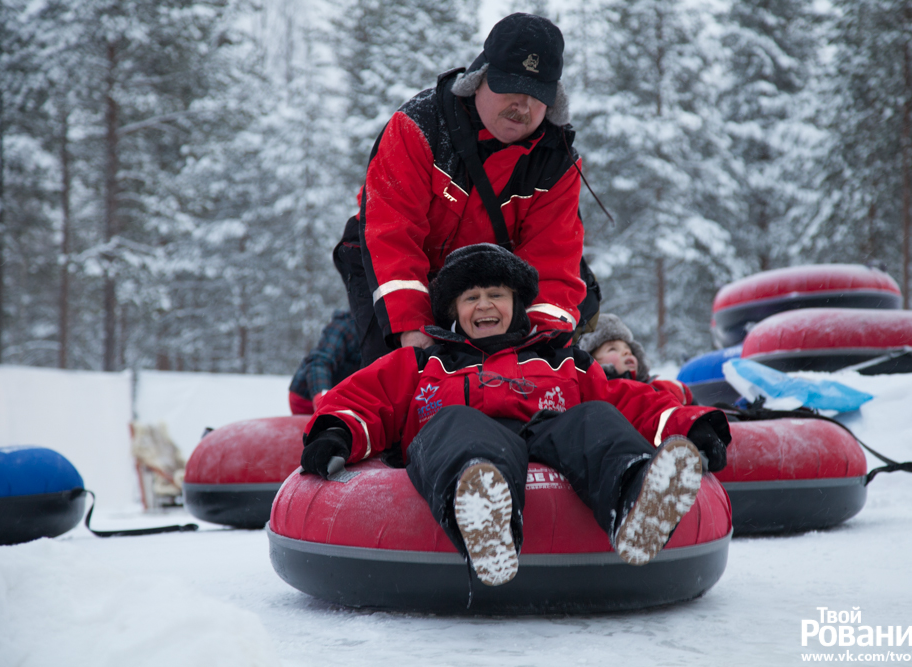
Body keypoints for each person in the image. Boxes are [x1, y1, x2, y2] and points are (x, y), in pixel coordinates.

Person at [300, 244, 731, 586]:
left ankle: (636, 499)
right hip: (468, 440)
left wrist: (691, 425)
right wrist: (335, 431)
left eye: (496, 295)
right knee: (456, 425)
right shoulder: (425, 364)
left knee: (593, 417)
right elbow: (365, 397)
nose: (484, 306)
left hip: (549, 433)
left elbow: (629, 401)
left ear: (516, 305)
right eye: (471, 298)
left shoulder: (563, 361)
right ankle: (487, 521)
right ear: (453, 311)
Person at [333, 12, 588, 367]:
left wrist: (542, 346)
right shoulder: (418, 128)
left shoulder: (558, 164)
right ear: (480, 79)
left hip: (486, 284)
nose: (523, 106)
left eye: (536, 95)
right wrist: (412, 331)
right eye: (511, 88)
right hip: (390, 265)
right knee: (400, 375)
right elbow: (392, 236)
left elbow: (553, 263)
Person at [579, 313, 696, 406]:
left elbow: (684, 394)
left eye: (627, 348)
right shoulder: (598, 396)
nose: (626, 352)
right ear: (593, 361)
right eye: (612, 349)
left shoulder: (658, 386)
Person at [288, 310, 361, 415]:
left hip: (342, 402)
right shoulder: (344, 326)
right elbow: (319, 362)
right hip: (306, 398)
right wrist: (322, 397)